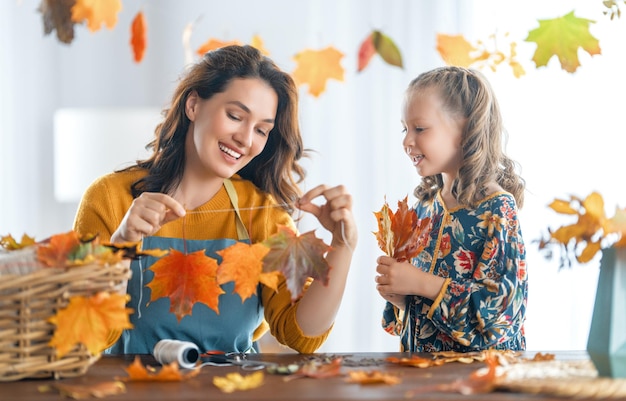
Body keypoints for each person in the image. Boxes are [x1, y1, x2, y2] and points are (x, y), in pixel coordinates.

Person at [73, 45, 357, 355]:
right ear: (193, 105)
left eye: (262, 130)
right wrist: (120, 246)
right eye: (235, 116)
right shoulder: (109, 199)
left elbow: (300, 334)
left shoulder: (263, 214)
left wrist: (342, 248)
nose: (246, 140)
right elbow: (85, 337)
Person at [375, 66, 527, 352]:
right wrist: (400, 297)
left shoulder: (497, 209)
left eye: (420, 128)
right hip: (422, 379)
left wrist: (421, 284)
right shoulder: (423, 209)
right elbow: (409, 321)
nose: (407, 141)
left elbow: (501, 316)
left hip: (480, 384)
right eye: (405, 129)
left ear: (466, 130)